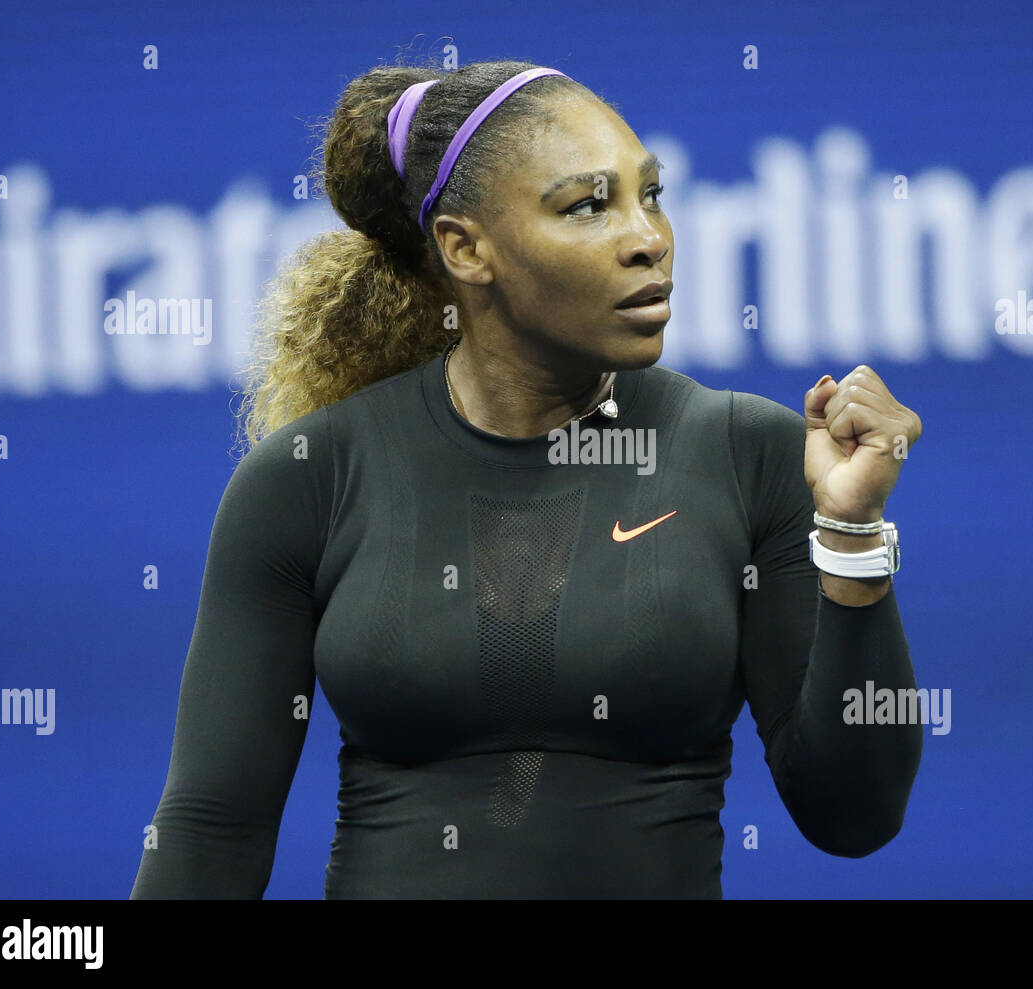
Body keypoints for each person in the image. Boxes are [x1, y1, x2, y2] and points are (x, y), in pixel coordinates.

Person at [130, 58, 925, 899]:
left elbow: (855, 815)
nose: (647, 237)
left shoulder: (751, 453)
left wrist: (851, 535)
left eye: (650, 194)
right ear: (466, 249)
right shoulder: (307, 478)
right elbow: (212, 831)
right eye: (588, 205)